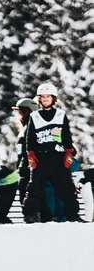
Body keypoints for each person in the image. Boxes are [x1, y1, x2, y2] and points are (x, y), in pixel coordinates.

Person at [22, 89, 81, 223]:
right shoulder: (35, 116)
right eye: (43, 97)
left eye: (48, 97)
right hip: (41, 158)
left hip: (58, 157)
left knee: (66, 187)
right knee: (34, 188)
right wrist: (30, 154)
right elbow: (30, 139)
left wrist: (68, 153)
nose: (45, 99)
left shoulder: (61, 115)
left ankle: (73, 215)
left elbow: (67, 136)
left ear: (53, 99)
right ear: (39, 99)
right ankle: (29, 215)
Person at [11, 97, 38, 206]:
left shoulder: (32, 128)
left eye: (21, 112)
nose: (19, 115)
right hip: (23, 168)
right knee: (23, 195)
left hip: (30, 167)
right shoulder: (25, 128)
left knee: (28, 195)